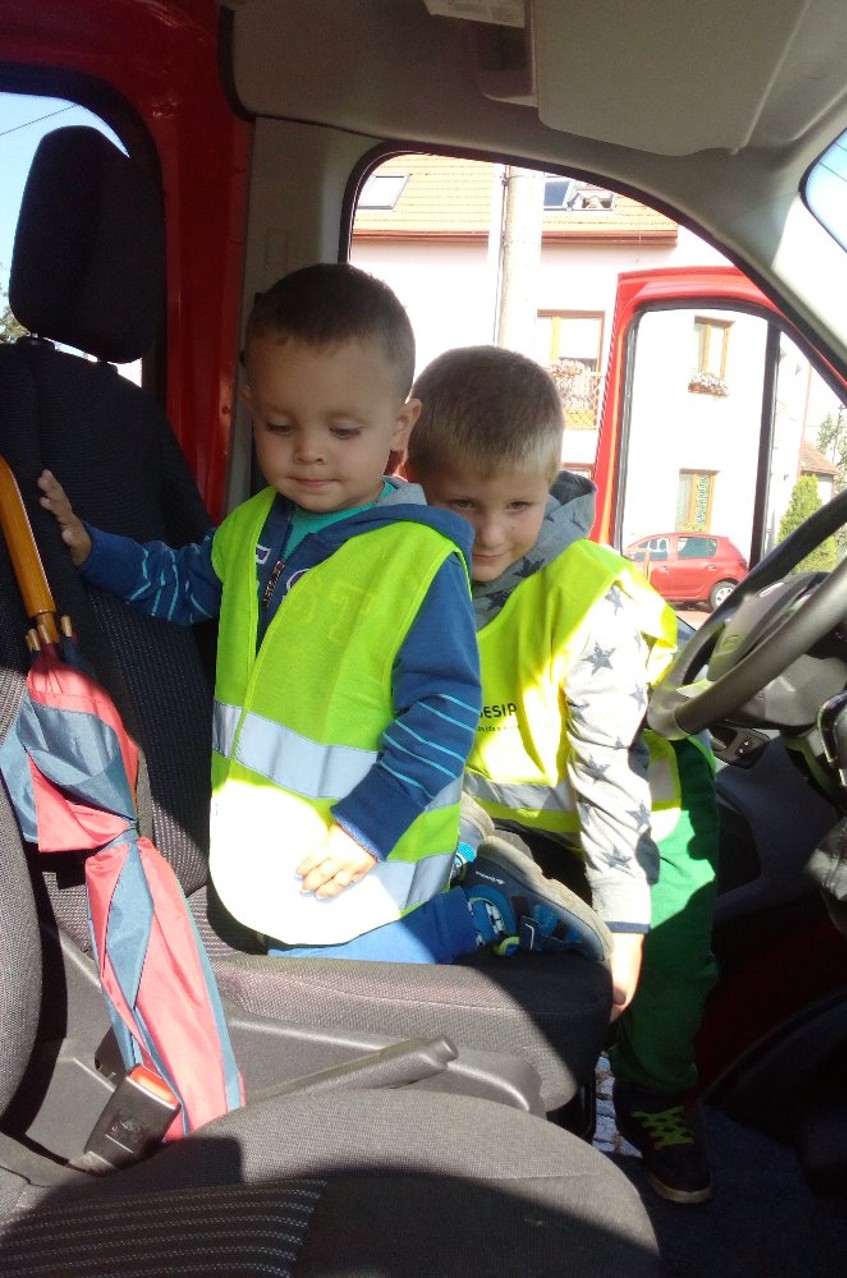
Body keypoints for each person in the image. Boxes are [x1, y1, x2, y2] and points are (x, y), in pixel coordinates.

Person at [38, 263, 610, 966]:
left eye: (343, 429)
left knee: (304, 962)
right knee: (275, 938)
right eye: (281, 425)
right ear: (251, 407)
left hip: (373, 844)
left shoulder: (418, 560)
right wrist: (94, 550)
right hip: (278, 836)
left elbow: (445, 712)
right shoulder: (254, 526)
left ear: (400, 426)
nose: (309, 450)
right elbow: (184, 585)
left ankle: (487, 908)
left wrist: (368, 828)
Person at [405, 345, 720, 1204]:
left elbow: (607, 771)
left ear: (551, 485)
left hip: (637, 812)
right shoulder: (405, 570)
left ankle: (655, 1093)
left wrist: (624, 925)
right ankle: (538, 1088)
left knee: (663, 967)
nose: (490, 533)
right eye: (461, 504)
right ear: (413, 478)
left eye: (518, 505)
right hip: (509, 815)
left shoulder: (588, 596)